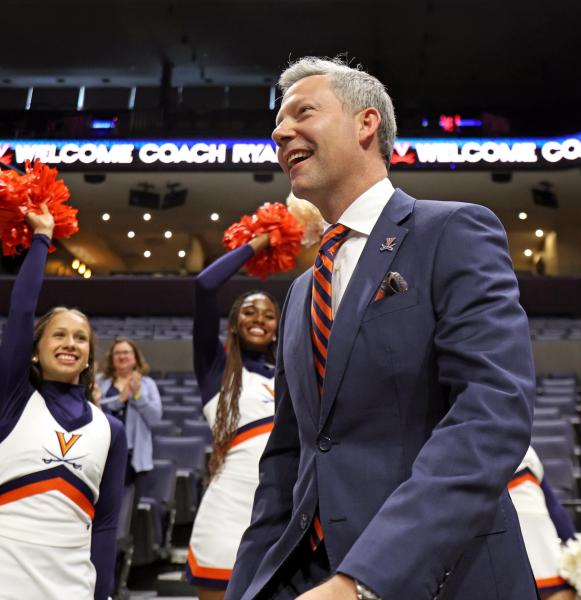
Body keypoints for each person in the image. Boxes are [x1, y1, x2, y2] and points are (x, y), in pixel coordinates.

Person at [226, 57, 537, 600]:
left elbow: (493, 414)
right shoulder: (301, 292)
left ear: (365, 123)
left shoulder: (453, 230)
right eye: (277, 122)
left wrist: (364, 579)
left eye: (303, 112)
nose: (279, 132)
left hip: (435, 578)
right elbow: (287, 464)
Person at [0, 205, 128, 600]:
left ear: (88, 355)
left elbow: (105, 525)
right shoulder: (14, 402)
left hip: (70, 583)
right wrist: (42, 237)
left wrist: (102, 594)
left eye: (80, 338)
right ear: (34, 352)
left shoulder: (111, 430)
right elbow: (21, 311)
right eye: (58, 335)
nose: (70, 343)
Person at [185, 234, 279, 600]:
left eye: (269, 315)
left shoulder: (292, 373)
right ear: (235, 323)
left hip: (279, 512)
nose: (259, 320)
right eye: (249, 311)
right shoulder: (215, 369)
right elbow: (205, 285)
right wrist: (257, 244)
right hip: (225, 514)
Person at [508, 446, 577, 600]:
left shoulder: (526, 449)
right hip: (510, 536)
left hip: (544, 537)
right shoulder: (470, 442)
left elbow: (553, 505)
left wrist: (577, 546)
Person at [96, 337, 163, 485]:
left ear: (135, 357)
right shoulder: (99, 381)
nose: (122, 356)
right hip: (103, 451)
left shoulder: (148, 384)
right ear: (112, 358)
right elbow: (93, 408)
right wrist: (120, 400)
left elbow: (155, 418)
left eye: (126, 352)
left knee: (129, 502)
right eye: (117, 353)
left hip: (133, 454)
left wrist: (138, 395)